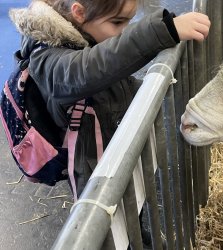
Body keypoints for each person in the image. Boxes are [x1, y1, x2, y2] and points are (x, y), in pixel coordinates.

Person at [9, 0, 210, 198]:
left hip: (111, 136)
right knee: (104, 214)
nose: (124, 31)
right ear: (79, 12)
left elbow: (112, 76)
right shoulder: (46, 57)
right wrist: (162, 31)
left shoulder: (87, 31)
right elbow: (88, 69)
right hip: (89, 164)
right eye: (117, 22)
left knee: (127, 200)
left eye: (129, 22)